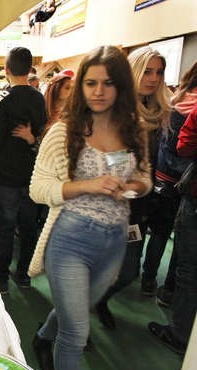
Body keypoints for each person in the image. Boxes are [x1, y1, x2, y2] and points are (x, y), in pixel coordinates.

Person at [29, 45, 151, 370]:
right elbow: (39, 188)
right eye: (91, 82)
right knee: (78, 331)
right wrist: (87, 185)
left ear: (121, 88)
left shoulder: (134, 129)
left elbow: (145, 179)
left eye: (108, 83)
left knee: (75, 311)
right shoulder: (65, 131)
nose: (98, 91)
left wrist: (131, 188)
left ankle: (43, 334)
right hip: (71, 240)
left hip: (114, 240)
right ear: (80, 85)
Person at [95, 46, 172, 328]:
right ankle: (73, 321)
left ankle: (99, 300)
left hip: (138, 205)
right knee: (94, 267)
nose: (153, 78)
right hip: (107, 202)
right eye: (148, 70)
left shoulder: (159, 113)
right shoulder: (115, 111)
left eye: (159, 72)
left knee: (128, 271)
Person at [0, 47, 46, 292]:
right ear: (29, 69)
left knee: (4, 229)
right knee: (28, 227)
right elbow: (43, 137)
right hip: (31, 175)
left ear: (6, 70)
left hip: (5, 175)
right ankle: (24, 274)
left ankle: (2, 278)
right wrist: (30, 139)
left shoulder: (1, 98)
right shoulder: (39, 98)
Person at [148, 102, 197, 355]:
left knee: (187, 267)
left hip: (175, 186)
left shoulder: (178, 106)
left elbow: (184, 145)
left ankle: (179, 332)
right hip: (173, 186)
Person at [154, 61, 197, 307]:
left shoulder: (174, 101)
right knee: (178, 240)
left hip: (164, 175)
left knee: (162, 229)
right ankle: (166, 287)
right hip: (185, 181)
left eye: (158, 72)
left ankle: (152, 280)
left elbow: (176, 143)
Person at [44, 69, 74, 133]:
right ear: (56, 88)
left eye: (73, 88)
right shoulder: (43, 108)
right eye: (67, 88)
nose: (71, 91)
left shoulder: (72, 111)